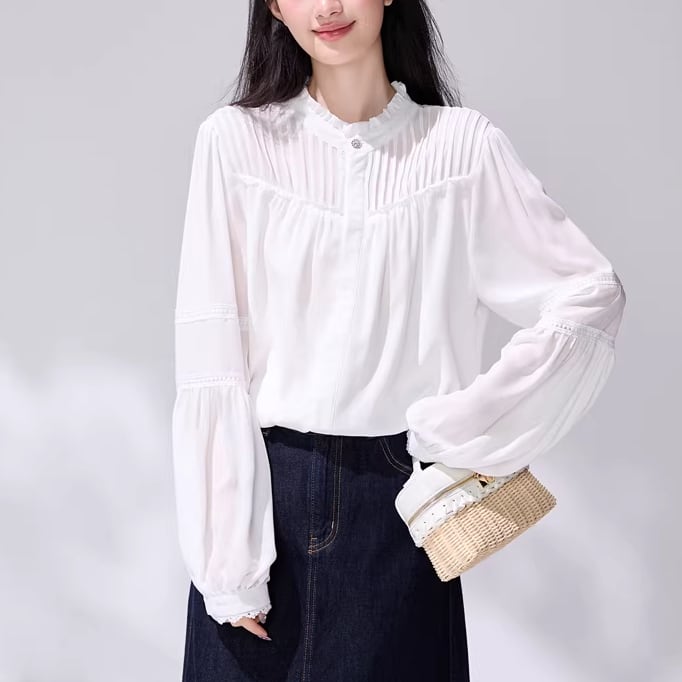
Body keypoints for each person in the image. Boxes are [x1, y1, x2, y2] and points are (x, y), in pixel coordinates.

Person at [171, 1, 627, 680]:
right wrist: (228, 562)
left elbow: (589, 294)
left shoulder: (462, 149)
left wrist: (469, 428)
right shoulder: (235, 143)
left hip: (397, 509)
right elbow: (211, 360)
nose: (328, 7)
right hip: (264, 500)